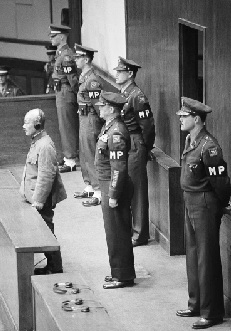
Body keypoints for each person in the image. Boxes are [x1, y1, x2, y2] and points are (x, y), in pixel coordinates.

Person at [175, 97, 231, 329]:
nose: (180, 119)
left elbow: (221, 182)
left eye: (184, 116)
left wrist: (221, 204)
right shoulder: (191, 139)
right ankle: (195, 302)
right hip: (190, 201)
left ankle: (211, 311)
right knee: (193, 253)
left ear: (196, 119)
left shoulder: (209, 146)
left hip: (205, 203)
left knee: (206, 257)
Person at [94, 91, 135, 289]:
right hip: (107, 183)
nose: (99, 108)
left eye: (102, 106)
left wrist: (113, 194)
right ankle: (117, 270)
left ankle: (123, 275)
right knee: (112, 232)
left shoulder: (116, 132)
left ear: (111, 109)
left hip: (114, 185)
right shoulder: (108, 126)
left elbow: (119, 167)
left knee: (118, 232)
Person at [114, 57, 156, 247]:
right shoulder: (124, 93)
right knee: (126, 186)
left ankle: (140, 234)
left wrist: (145, 148)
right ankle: (132, 229)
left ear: (130, 74)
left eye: (120, 72)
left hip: (134, 142)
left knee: (137, 190)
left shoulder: (137, 96)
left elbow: (147, 126)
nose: (116, 74)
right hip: (125, 142)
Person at [19, 108, 67, 274]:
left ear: (37, 125)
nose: (23, 126)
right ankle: (52, 265)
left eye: (27, 123)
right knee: (44, 231)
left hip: (42, 199)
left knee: (47, 232)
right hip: (34, 196)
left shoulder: (45, 145)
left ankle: (55, 267)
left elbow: (46, 175)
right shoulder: (37, 141)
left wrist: (38, 200)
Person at [72, 44, 104, 207]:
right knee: (84, 153)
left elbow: (98, 105)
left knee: (91, 153)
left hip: (91, 120)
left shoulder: (92, 81)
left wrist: (103, 125)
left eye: (78, 57)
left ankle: (98, 191)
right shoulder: (83, 76)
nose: (76, 60)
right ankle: (90, 185)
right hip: (83, 118)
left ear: (86, 59)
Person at [49, 24, 79, 173]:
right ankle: (68, 156)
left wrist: (77, 95)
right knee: (64, 126)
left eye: (53, 36)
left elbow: (72, 79)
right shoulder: (60, 53)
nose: (51, 38)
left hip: (66, 93)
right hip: (61, 92)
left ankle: (71, 159)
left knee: (67, 127)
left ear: (61, 37)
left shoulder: (66, 55)